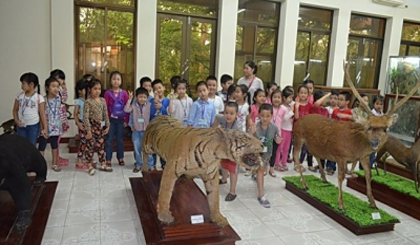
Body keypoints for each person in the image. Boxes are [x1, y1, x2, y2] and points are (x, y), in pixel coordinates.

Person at [249, 104, 282, 208]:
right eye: (262, 115)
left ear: (271, 116)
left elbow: (278, 139)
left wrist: (278, 141)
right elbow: (246, 138)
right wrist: (251, 133)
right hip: (256, 154)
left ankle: (255, 175)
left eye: (267, 116)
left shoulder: (274, 128)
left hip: (267, 154)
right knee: (261, 170)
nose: (265, 118)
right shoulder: (255, 126)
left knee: (261, 170)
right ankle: (261, 195)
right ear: (259, 115)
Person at [212, 102, 242, 201]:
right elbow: (217, 117)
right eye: (226, 112)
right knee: (224, 165)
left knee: (233, 170)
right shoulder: (222, 118)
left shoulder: (238, 126)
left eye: (231, 113)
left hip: (235, 151)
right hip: (225, 148)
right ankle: (224, 179)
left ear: (236, 114)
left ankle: (232, 192)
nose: (228, 116)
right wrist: (213, 130)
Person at [84, 79, 110, 175]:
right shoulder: (88, 102)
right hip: (92, 126)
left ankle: (102, 163)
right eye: (95, 89)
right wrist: (88, 130)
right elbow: (85, 117)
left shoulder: (103, 100)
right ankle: (89, 165)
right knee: (90, 146)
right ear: (90, 89)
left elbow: (105, 114)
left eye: (99, 89)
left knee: (101, 146)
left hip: (101, 126)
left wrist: (107, 126)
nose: (97, 91)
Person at [13, 72, 47, 146]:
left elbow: (42, 114)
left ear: (31, 84)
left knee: (31, 145)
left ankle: (30, 158)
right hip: (21, 125)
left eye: (23, 83)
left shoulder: (39, 98)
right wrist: (16, 121)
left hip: (33, 126)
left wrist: (45, 128)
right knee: (21, 145)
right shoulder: (19, 96)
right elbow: (15, 110)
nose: (21, 86)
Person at [124, 88, 154, 172]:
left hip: (147, 131)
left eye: (144, 97)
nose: (142, 99)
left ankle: (150, 165)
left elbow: (154, 114)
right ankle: (138, 164)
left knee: (148, 148)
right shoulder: (133, 105)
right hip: (136, 131)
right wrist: (129, 99)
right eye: (140, 97)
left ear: (147, 98)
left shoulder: (149, 105)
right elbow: (126, 110)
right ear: (136, 97)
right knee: (137, 149)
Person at [104, 71, 129, 168]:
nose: (116, 81)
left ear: (121, 81)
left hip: (120, 120)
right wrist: (106, 121)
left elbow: (127, 107)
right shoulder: (107, 93)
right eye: (114, 79)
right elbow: (105, 107)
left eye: (118, 79)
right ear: (110, 81)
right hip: (110, 120)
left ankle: (120, 157)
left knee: (120, 140)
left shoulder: (124, 93)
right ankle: (108, 158)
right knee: (109, 139)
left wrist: (126, 120)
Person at [38, 77, 63, 172]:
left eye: (57, 86)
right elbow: (41, 114)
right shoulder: (43, 100)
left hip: (56, 126)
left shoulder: (59, 98)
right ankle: (40, 165)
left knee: (54, 145)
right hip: (45, 126)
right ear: (47, 88)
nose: (56, 89)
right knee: (42, 145)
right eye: (53, 86)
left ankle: (55, 163)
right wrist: (43, 127)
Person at [328, 91, 353, 175]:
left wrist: (346, 116)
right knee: (334, 151)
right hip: (335, 135)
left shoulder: (350, 112)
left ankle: (344, 168)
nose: (339, 101)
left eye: (341, 100)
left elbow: (355, 119)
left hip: (345, 136)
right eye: (338, 99)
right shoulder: (335, 111)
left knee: (344, 153)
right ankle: (331, 167)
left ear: (347, 102)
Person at [50, 69, 69, 166]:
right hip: (55, 120)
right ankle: (56, 158)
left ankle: (57, 157)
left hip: (61, 119)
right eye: (59, 78)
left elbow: (64, 100)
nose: (61, 80)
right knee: (56, 139)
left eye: (62, 78)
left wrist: (64, 88)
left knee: (58, 137)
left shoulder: (60, 91)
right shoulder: (52, 92)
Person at [150, 79, 170, 169]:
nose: (158, 90)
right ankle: (153, 164)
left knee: (163, 146)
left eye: (160, 87)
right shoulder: (151, 101)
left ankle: (164, 163)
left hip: (164, 127)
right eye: (156, 89)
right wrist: (155, 101)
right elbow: (150, 113)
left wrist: (161, 107)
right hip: (154, 127)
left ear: (164, 88)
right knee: (153, 146)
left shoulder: (168, 100)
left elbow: (168, 113)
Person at [308, 90, 331, 170]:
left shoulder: (325, 110)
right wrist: (326, 95)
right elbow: (317, 103)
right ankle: (310, 164)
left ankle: (321, 165)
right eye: (324, 99)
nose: (326, 100)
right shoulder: (314, 107)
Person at [245, 89, 266, 176]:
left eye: (264, 96)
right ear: (255, 98)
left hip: (262, 132)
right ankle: (248, 167)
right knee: (250, 150)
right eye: (260, 96)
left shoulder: (265, 108)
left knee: (261, 150)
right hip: (253, 131)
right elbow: (249, 118)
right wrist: (252, 125)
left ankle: (259, 167)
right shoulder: (252, 107)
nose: (262, 98)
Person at [294, 85, 313, 172]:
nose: (303, 95)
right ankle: (296, 164)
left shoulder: (310, 106)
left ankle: (300, 163)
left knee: (305, 148)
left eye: (305, 93)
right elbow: (296, 117)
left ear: (308, 95)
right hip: (298, 129)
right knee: (297, 147)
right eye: (301, 93)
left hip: (307, 130)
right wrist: (297, 108)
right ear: (298, 94)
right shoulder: (295, 105)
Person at [277, 87, 294, 172]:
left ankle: (284, 162)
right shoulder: (282, 107)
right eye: (289, 97)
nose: (291, 100)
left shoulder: (289, 107)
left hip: (289, 129)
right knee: (280, 148)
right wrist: (291, 112)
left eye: (292, 98)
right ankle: (277, 163)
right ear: (284, 98)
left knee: (287, 148)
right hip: (283, 129)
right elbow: (283, 119)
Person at [74, 79, 88, 169]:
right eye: (84, 89)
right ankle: (79, 160)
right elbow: (75, 114)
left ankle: (87, 158)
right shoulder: (78, 101)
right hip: (82, 123)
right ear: (80, 91)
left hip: (90, 123)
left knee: (89, 142)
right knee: (83, 141)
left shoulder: (90, 100)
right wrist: (78, 123)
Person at [268, 89, 283, 177]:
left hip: (277, 134)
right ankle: (264, 168)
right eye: (274, 97)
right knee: (266, 151)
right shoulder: (268, 108)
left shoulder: (283, 109)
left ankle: (271, 168)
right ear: (271, 98)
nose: (276, 99)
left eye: (278, 97)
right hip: (268, 132)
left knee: (274, 152)